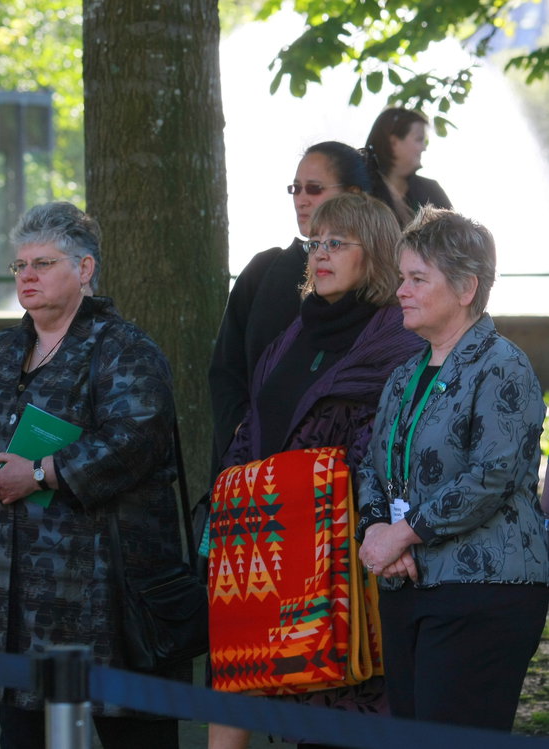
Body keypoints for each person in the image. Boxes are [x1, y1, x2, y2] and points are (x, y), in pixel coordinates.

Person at [0, 201, 186, 748]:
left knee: (133, 734)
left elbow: (136, 438)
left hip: (104, 597)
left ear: (84, 269)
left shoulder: (123, 349)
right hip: (13, 598)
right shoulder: (2, 349)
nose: (27, 276)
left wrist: (41, 473)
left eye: (43, 263)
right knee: (22, 734)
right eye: (20, 265)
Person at [207, 193, 425, 749]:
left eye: (336, 243)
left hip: (348, 558)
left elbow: (384, 444)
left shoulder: (397, 339)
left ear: (374, 252)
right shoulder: (294, 333)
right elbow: (254, 424)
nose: (320, 254)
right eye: (315, 243)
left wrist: (295, 485)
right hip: (274, 549)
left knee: (347, 716)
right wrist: (236, 487)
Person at [357, 207, 549, 731]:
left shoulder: (503, 365)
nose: (401, 290)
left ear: (466, 287)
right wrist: (376, 529)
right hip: (408, 586)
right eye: (402, 277)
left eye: (418, 279)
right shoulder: (404, 374)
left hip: (483, 588)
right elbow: (371, 465)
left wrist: (403, 534)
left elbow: (492, 475)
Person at [209, 141, 371, 475]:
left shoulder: (383, 284)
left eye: (314, 188)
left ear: (353, 194)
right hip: (250, 469)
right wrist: (242, 435)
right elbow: (226, 370)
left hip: (335, 477)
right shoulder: (263, 270)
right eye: (296, 189)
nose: (301, 199)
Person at [365, 107, 452, 227]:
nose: (424, 148)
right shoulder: (362, 192)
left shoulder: (431, 190)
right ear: (393, 142)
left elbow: (458, 235)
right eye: (419, 139)